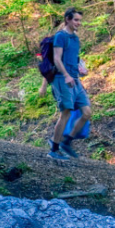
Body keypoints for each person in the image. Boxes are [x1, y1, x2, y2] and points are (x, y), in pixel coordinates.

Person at [45, 8, 92, 160]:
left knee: (87, 113)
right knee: (65, 113)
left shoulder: (75, 38)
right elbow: (57, 59)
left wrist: (81, 68)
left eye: (80, 20)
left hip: (75, 79)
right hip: (62, 79)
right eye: (76, 20)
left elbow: (75, 57)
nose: (79, 23)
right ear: (67, 20)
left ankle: (67, 142)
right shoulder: (60, 36)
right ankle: (54, 149)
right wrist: (66, 75)